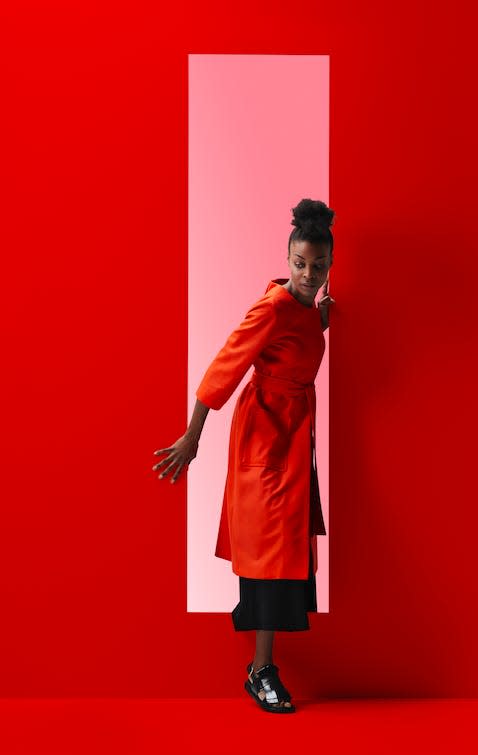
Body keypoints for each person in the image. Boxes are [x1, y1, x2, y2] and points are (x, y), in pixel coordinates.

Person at [153, 198, 336, 713]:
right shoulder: (273, 306)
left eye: (317, 266)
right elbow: (225, 366)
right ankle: (261, 671)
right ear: (286, 257)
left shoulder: (304, 307)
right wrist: (193, 437)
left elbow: (295, 342)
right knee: (270, 555)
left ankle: (263, 667)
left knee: (284, 550)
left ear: (330, 265)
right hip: (265, 435)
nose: (307, 274)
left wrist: (319, 319)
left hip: (295, 434)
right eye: (299, 264)